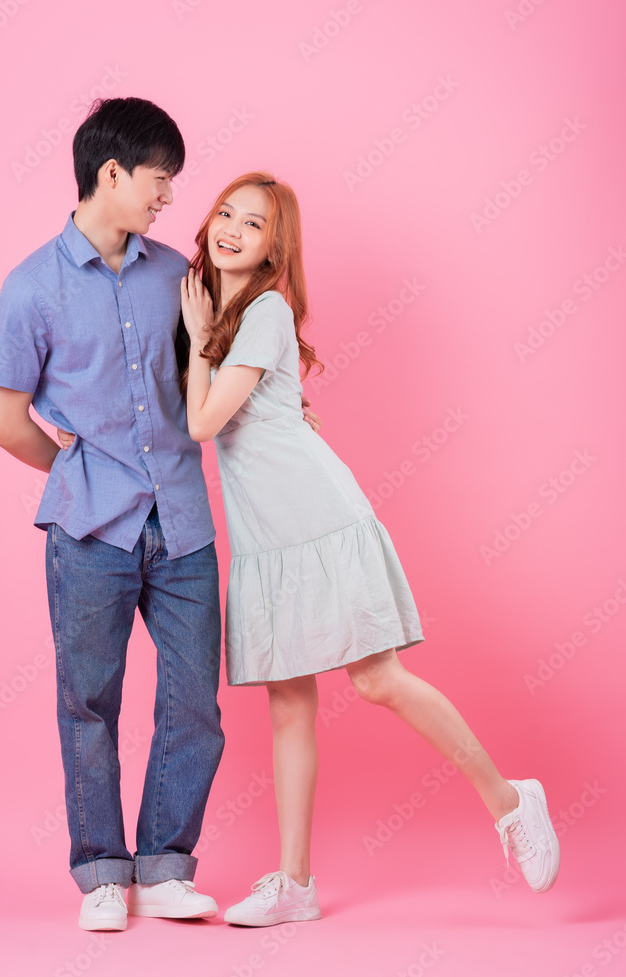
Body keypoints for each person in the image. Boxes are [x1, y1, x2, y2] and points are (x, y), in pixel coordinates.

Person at [174, 171, 561, 927]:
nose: (230, 229)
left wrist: (195, 350)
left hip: (318, 521)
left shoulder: (265, 310)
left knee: (378, 680)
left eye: (252, 224)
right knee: (289, 706)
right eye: (225, 212)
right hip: (265, 537)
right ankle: (295, 884)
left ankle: (511, 801)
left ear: (272, 248)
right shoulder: (214, 305)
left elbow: (203, 424)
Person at [0, 100, 320, 933]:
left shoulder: (180, 273)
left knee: (191, 703)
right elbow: (4, 419)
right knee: (87, 701)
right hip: (89, 531)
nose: (171, 196)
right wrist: (81, 470)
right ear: (113, 175)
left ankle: (166, 867)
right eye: (160, 178)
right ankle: (101, 870)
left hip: (183, 524)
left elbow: (222, 369)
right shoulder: (30, 288)